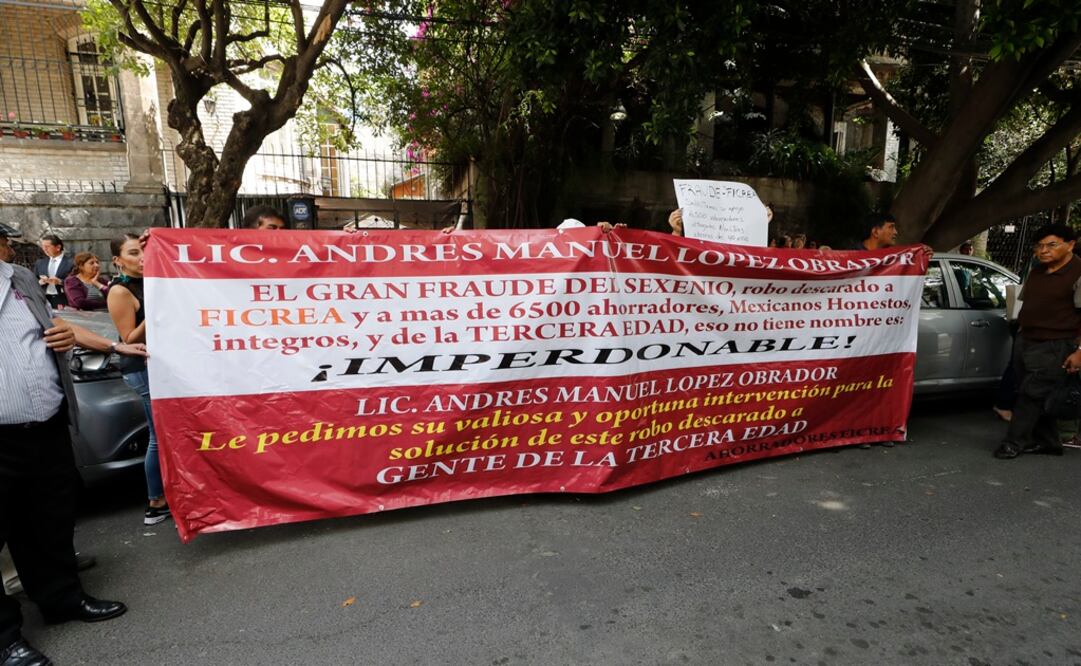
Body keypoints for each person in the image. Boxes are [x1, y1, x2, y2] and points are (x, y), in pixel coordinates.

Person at [2, 223, 144, 666]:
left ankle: (62, 600)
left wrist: (104, 343)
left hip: (44, 426)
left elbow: (54, 327)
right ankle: (6, 639)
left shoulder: (18, 278)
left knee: (48, 523)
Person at [994, 223, 1081, 459]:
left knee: (1031, 393)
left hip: (1056, 343)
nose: (1044, 251)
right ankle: (1049, 442)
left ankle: (1013, 442)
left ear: (1070, 244)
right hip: (1026, 339)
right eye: (1040, 246)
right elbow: (1025, 303)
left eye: (1051, 245)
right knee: (1032, 392)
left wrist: (1080, 351)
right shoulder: (1037, 271)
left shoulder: (1078, 272)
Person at [107, 234, 168, 525]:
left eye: (144, 250)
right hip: (141, 367)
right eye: (133, 253)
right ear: (118, 260)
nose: (142, 257)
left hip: (164, 365)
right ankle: (155, 501)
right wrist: (155, 308)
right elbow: (128, 338)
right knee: (157, 436)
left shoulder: (153, 281)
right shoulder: (120, 291)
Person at [32, 235, 72, 309]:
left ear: (58, 247)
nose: (44, 249)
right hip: (44, 298)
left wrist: (60, 282)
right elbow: (33, 279)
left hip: (63, 298)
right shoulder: (40, 262)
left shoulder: (70, 262)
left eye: (47, 246)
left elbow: (77, 281)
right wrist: (40, 282)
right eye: (43, 247)